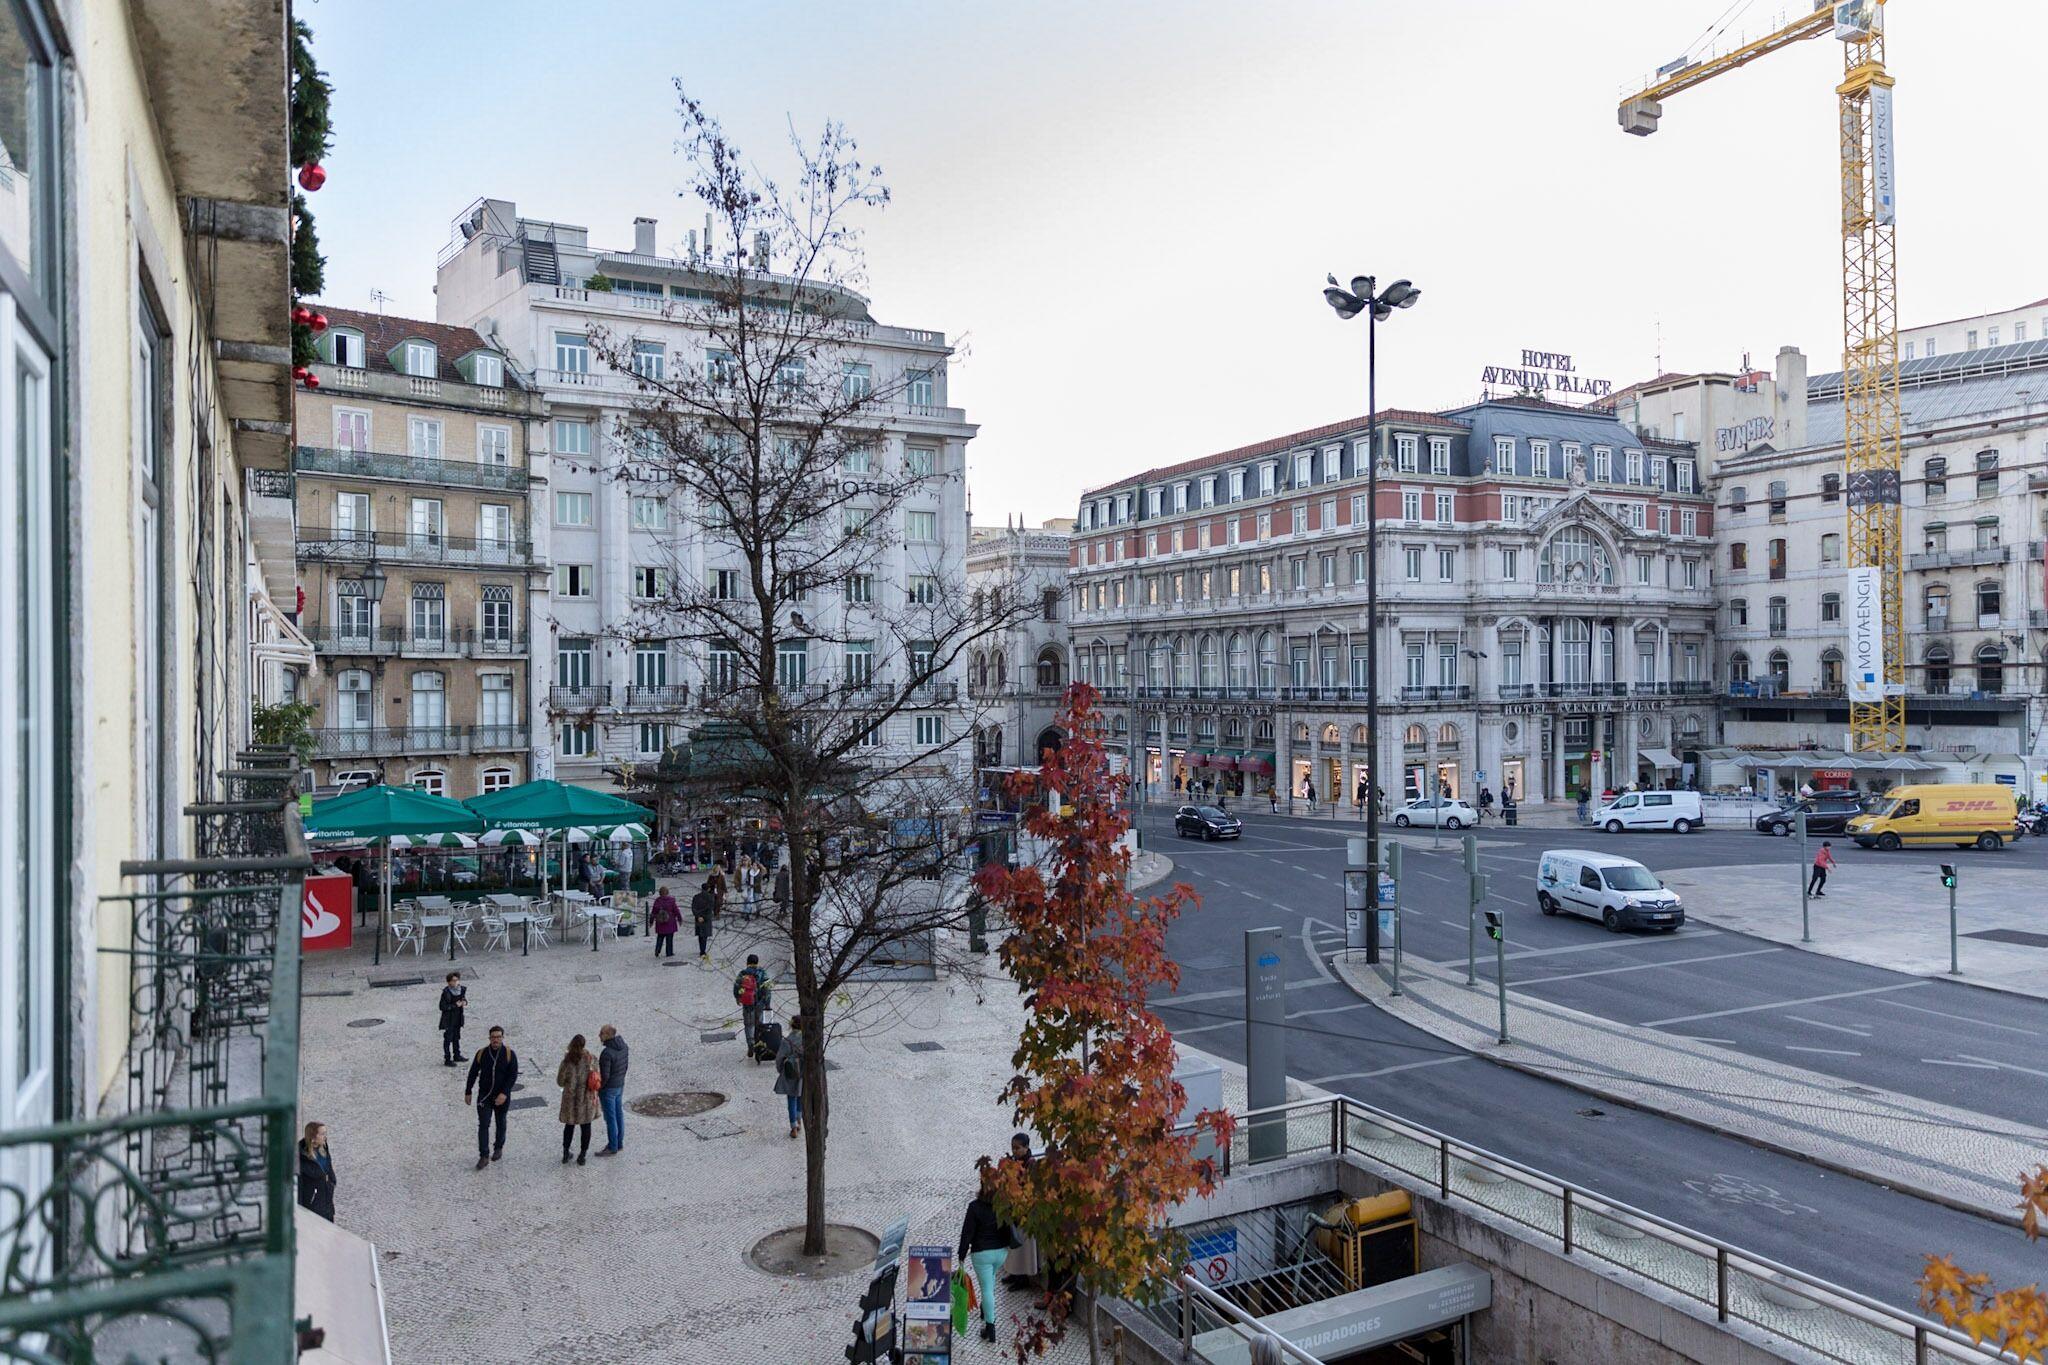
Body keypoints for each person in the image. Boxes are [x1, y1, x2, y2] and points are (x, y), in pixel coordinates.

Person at [958, 1168, 1012, 1344]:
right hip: (1001, 1253)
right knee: (990, 1281)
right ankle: (984, 1308)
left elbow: (967, 1234)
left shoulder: (974, 1207)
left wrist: (961, 1255)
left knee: (987, 1288)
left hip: (982, 1254)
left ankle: (990, 1328)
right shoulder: (1004, 1205)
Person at [464, 1026, 519, 1170]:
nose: (496, 1040)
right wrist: (468, 1091)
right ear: (489, 1038)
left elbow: (512, 1076)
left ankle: (498, 1147)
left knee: (501, 1122)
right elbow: (473, 1072)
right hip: (485, 1096)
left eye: (498, 1037)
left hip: (502, 1096)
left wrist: (504, 1093)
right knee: (483, 1124)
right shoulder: (482, 1053)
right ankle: (484, 1155)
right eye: (493, 1037)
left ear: (502, 1038)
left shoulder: (509, 1054)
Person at [555, 1034, 600, 1165]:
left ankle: (565, 1152)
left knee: (569, 1126)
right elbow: (596, 1076)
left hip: (570, 1099)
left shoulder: (567, 1061)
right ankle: (582, 1155)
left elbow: (560, 1081)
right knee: (586, 1126)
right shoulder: (591, 1059)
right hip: (586, 1099)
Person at [595, 1024, 629, 1155]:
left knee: (610, 1118)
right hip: (619, 1085)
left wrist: (599, 1088)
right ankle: (619, 1143)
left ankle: (612, 1146)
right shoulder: (624, 1047)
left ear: (608, 1035)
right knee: (619, 1115)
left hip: (609, 1089)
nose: (599, 1035)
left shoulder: (607, 1053)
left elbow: (605, 1076)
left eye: (601, 1033)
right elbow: (625, 1066)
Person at [296, 1121, 336, 1221]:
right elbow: (299, 1186)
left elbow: (329, 1168)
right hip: (312, 1206)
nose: (325, 1137)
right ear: (313, 1137)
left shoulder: (324, 1149)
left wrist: (332, 1182)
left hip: (327, 1202)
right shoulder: (301, 1158)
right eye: (322, 1134)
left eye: (325, 1133)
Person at [773, 1015, 805, 1139]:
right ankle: (799, 1120)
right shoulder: (805, 1039)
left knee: (791, 1099)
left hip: (790, 1072)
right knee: (800, 1096)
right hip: (802, 1071)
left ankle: (793, 1127)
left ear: (791, 1025)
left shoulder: (787, 1041)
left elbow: (779, 1058)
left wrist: (781, 1070)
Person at [733, 954, 771, 1050]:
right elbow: (767, 989)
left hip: (747, 1003)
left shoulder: (743, 974)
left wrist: (738, 998)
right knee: (759, 1023)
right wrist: (767, 1003)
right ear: (757, 963)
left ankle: (750, 1043)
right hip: (760, 1002)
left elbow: (736, 986)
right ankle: (759, 1043)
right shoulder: (762, 973)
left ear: (747, 963)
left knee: (749, 1024)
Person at [437, 970, 467, 1066]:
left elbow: (463, 998)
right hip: (449, 1019)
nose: (456, 982)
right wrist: (455, 1005)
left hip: (458, 1017)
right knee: (448, 1038)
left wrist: (464, 1002)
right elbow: (442, 1006)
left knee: (456, 1037)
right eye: (453, 980)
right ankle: (447, 1058)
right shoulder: (446, 992)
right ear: (449, 982)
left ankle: (457, 1055)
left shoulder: (461, 989)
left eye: (457, 980)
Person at [649, 884, 682, 958]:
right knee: (669, 938)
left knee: (660, 937)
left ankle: (657, 950)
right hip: (670, 922)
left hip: (660, 922)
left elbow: (653, 912)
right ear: (667, 892)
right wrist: (679, 919)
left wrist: (651, 921)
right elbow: (676, 910)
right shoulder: (671, 900)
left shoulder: (657, 901)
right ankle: (669, 952)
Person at [691, 882, 715, 960]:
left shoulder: (696, 897)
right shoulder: (710, 897)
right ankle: (702, 951)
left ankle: (701, 949)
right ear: (708, 889)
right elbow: (710, 909)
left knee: (700, 934)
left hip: (698, 918)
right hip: (706, 919)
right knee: (704, 935)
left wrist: (698, 916)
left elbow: (693, 908)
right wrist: (704, 917)